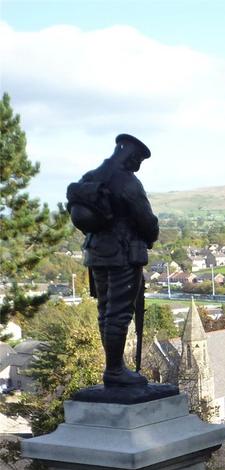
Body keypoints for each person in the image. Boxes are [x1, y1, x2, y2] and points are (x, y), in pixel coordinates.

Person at [67, 134, 159, 387]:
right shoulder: (127, 182)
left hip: (97, 253)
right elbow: (146, 220)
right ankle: (115, 370)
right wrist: (151, 235)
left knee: (105, 311)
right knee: (119, 313)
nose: (139, 163)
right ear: (131, 157)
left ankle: (113, 367)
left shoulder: (92, 177)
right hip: (123, 254)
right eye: (138, 158)